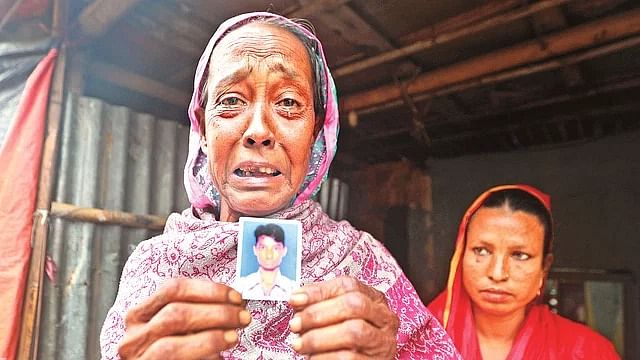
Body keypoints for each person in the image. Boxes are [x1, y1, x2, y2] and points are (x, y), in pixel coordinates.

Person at [100, 12, 460, 359]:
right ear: (203, 129)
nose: (259, 131)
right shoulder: (153, 265)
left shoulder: (364, 264)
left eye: (288, 102)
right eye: (230, 101)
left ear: (316, 133)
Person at [428, 184, 620, 360]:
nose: (497, 273)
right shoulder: (417, 341)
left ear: (544, 267)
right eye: (482, 251)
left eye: (519, 255)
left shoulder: (587, 352)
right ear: (461, 255)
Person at [237, 223, 297, 300]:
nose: (269, 255)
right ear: (255, 250)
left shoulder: (293, 288)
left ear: (284, 251)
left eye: (275, 248)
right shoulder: (241, 286)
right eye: (263, 247)